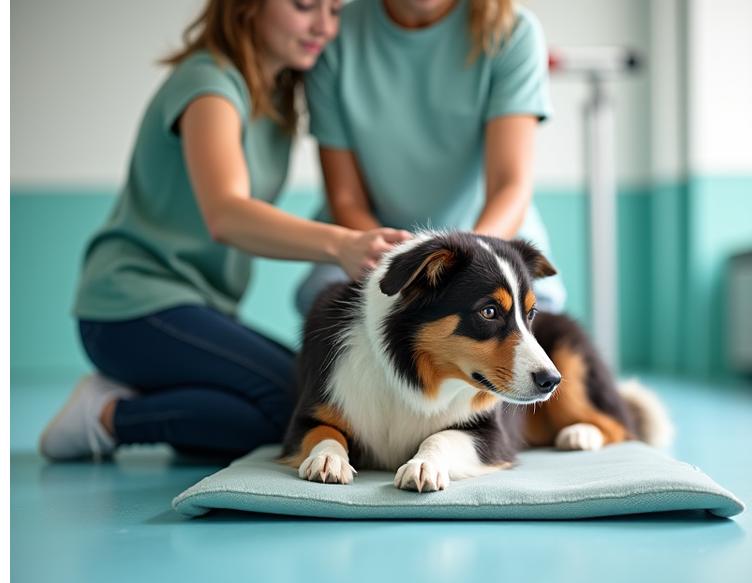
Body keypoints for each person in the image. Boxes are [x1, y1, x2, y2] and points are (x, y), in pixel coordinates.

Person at [39, 0, 410, 461]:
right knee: (296, 406)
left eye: (334, 10)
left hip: (199, 308)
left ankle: (149, 400)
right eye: (305, 6)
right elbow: (227, 215)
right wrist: (341, 243)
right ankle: (108, 418)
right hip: (132, 306)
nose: (325, 26)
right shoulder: (209, 84)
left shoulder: (276, 96)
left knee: (307, 394)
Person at [295, 0, 567, 316]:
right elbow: (345, 199)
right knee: (333, 317)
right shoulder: (333, 31)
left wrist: (468, 266)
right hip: (372, 241)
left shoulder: (512, 32)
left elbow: (510, 185)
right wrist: (405, 268)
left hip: (492, 239)